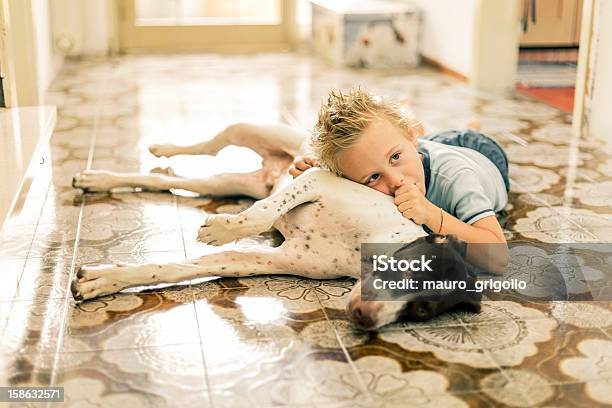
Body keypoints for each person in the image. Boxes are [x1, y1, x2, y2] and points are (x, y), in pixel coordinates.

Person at [289, 88, 509, 271]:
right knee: (411, 138)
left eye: (395, 157)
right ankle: (410, 120)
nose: (395, 181)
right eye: (374, 177)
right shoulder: (398, 151)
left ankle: (471, 127)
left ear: (410, 138)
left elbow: (498, 259)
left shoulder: (457, 178)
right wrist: (317, 172)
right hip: (425, 144)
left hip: (480, 152)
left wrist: (431, 214)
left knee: (464, 135)